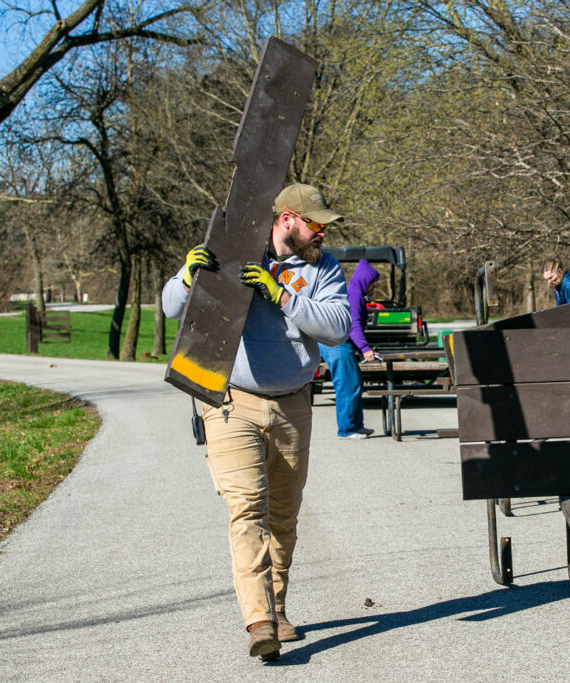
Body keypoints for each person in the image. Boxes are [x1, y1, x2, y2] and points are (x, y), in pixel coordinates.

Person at [162, 183, 350, 662]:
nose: (322, 233)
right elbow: (169, 307)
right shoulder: (234, 251)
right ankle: (259, 621)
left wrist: (281, 293)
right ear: (287, 218)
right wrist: (188, 276)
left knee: (283, 517)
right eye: (316, 223)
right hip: (231, 402)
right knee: (247, 510)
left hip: (292, 404)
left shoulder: (323, 268)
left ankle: (278, 609)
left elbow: (337, 327)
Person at [318, 259, 380, 439]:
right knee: (347, 385)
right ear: (365, 281)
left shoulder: (356, 294)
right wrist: (365, 348)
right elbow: (353, 326)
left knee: (354, 384)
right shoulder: (353, 295)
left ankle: (357, 426)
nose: (374, 286)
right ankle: (346, 430)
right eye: (373, 283)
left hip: (341, 343)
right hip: (337, 344)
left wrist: (363, 348)